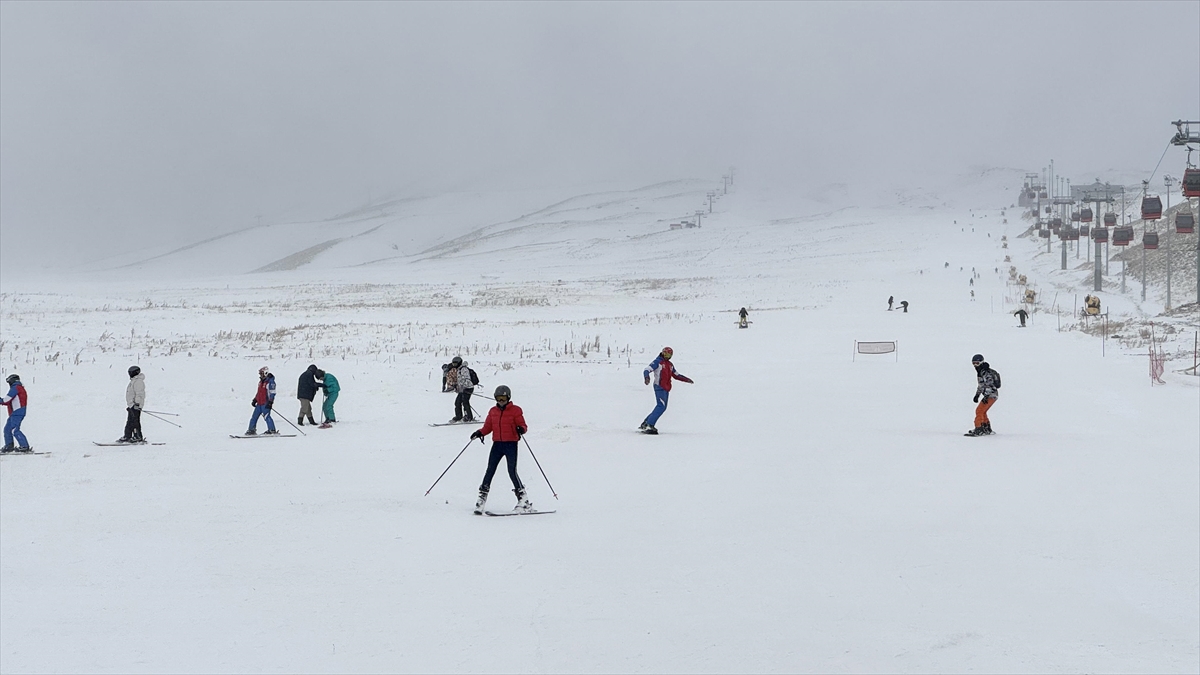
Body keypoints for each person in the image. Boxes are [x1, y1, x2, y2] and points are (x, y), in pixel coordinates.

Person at [469, 385, 530, 514]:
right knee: (490, 470)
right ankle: (481, 499)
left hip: (511, 444)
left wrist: (521, 429)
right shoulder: (493, 411)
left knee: (512, 471)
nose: (501, 401)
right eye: (498, 398)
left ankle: (523, 500)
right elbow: (488, 427)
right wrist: (480, 433)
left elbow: (523, 425)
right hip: (497, 445)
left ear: (508, 397)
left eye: (503, 398)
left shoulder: (516, 410)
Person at [639, 346, 694, 434]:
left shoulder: (670, 365)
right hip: (659, 387)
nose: (667, 356)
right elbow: (647, 369)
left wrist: (686, 379)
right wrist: (646, 377)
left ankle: (646, 423)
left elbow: (676, 375)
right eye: (666, 354)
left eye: (669, 355)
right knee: (661, 407)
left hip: (666, 388)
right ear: (662, 353)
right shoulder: (658, 362)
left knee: (661, 407)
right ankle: (649, 424)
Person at [967, 354, 999, 436]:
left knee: (979, 411)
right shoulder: (980, 372)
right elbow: (981, 385)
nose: (975, 365)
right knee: (983, 411)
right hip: (990, 395)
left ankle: (979, 429)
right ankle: (986, 428)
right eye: (973, 363)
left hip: (991, 395)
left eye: (977, 363)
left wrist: (987, 396)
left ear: (981, 362)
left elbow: (990, 385)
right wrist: (977, 395)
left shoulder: (986, 372)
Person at [1, 374, 31, 453]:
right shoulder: (18, 387)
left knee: (14, 429)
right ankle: (9, 446)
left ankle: (24, 446)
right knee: (7, 429)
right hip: (15, 412)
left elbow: (6, 400)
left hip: (18, 412)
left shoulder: (16, 388)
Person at [117, 365, 146, 443]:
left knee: (135, 421)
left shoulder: (138, 382)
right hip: (131, 405)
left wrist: (137, 404)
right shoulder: (134, 381)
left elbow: (139, 394)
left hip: (135, 405)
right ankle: (127, 436)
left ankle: (138, 437)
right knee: (130, 421)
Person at [246, 366, 278, 435]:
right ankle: (251, 430)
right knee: (254, 417)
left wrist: (270, 402)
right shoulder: (261, 382)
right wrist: (255, 399)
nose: (260, 375)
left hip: (265, 403)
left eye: (261, 373)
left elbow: (272, 393)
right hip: (259, 403)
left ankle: (272, 430)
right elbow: (259, 392)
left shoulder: (270, 382)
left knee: (267, 417)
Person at [451, 357, 477, 423]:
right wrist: (457, 386)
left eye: (455, 364)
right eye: (453, 364)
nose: (454, 365)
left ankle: (468, 417)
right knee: (457, 402)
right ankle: (458, 416)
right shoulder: (459, 369)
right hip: (462, 389)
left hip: (468, 388)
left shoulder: (464, 369)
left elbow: (466, 379)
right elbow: (460, 380)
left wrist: (464, 387)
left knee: (465, 402)